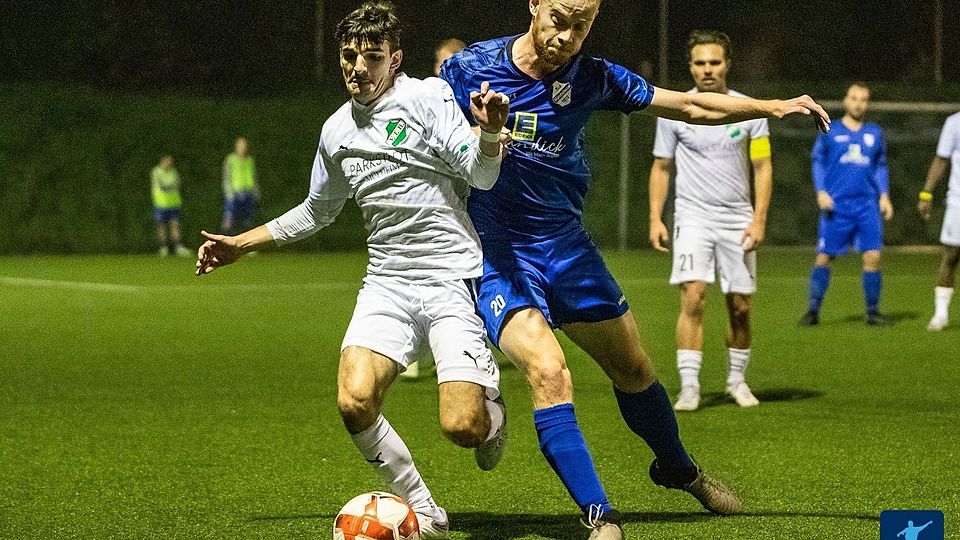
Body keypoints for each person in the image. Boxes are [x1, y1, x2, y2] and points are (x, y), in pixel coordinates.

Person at [440, 1, 829, 537]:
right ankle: (601, 516)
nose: (569, 35)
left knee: (635, 371)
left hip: (568, 250)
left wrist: (774, 106)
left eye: (583, 25)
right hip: (498, 253)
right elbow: (416, 119)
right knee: (549, 372)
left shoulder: (594, 77)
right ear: (534, 5)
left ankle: (678, 468)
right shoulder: (468, 69)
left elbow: (694, 106)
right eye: (559, 18)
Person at [195, 3, 511, 538]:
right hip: (386, 283)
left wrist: (489, 136)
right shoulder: (336, 129)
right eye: (349, 56)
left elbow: (481, 177)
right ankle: (424, 510)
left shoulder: (428, 98)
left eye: (372, 56)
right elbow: (317, 210)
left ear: (395, 59)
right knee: (353, 399)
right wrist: (241, 244)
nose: (358, 67)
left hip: (450, 278)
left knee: (463, 427)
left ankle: (492, 411)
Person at [648, 30, 769, 412]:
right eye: (700, 63)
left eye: (714, 62)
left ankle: (737, 381)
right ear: (691, 67)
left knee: (740, 306)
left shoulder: (749, 109)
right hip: (692, 216)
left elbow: (762, 166)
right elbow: (662, 167)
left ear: (727, 65)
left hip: (738, 218)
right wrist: (655, 217)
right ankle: (689, 387)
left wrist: (759, 219)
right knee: (694, 297)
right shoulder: (675, 110)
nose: (707, 69)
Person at [400, 37, 471, 382]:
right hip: (431, 205)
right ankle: (414, 353)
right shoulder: (425, 100)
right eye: (441, 62)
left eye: (453, 62)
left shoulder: (475, 100)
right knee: (425, 277)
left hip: (471, 202)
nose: (446, 69)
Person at [800, 83, 894, 327]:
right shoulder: (830, 129)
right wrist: (821, 192)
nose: (858, 103)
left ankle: (873, 313)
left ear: (867, 103)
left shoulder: (875, 132)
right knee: (824, 258)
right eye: (854, 98)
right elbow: (817, 161)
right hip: (836, 206)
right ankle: (812, 311)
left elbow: (880, 166)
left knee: (873, 256)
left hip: (867, 206)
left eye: (863, 99)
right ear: (845, 100)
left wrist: (884, 196)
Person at [918, 111, 960, 331]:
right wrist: (926, 193)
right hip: (958, 200)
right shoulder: (954, 123)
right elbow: (941, 159)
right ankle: (941, 314)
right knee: (952, 254)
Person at [150, 154, 190, 257]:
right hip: (161, 204)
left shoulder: (173, 172)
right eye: (167, 161)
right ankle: (163, 247)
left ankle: (178, 247)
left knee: (175, 225)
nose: (169, 163)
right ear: (162, 160)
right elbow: (163, 186)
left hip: (174, 203)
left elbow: (177, 184)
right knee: (161, 226)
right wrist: (170, 186)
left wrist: (171, 186)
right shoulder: (156, 172)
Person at [222, 137, 260, 234]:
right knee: (229, 218)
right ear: (236, 146)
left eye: (244, 145)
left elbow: (254, 177)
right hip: (234, 193)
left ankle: (248, 246)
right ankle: (224, 244)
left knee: (248, 219)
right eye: (240, 145)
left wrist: (256, 192)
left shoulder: (250, 160)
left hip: (248, 193)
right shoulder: (230, 159)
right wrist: (228, 192)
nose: (243, 147)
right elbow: (226, 176)